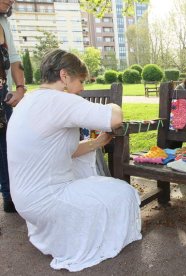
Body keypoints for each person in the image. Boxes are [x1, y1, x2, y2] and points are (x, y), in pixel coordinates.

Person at [7, 49, 142, 272]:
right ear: (64, 76)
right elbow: (115, 117)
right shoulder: (59, 100)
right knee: (124, 193)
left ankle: (58, 233)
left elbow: (60, 151)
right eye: (81, 81)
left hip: (25, 201)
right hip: (47, 201)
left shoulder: (29, 101)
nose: (82, 88)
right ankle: (83, 236)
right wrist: (114, 105)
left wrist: (97, 143)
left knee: (92, 178)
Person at [0, 1, 26, 213]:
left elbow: (15, 58)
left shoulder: (3, 22)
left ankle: (10, 196)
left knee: (6, 147)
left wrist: (20, 88)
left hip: (3, 93)